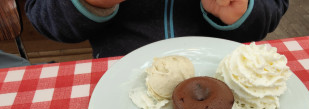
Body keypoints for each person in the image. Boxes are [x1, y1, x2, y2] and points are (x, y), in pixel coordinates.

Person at [25, 0, 289, 58]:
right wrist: (88, 3)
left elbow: (274, 6)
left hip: (223, 70)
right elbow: (42, 14)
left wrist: (246, 10)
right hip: (116, 75)